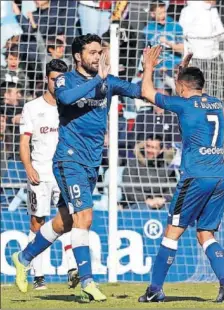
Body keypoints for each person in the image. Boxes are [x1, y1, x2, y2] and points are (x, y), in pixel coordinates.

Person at [12, 34, 142, 302]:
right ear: (78, 56)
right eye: (92, 52)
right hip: (68, 159)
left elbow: (141, 91)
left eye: (100, 52)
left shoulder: (108, 82)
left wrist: (154, 73)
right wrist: (98, 80)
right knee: (85, 218)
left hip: (91, 162)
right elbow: (67, 98)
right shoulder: (65, 79)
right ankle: (88, 282)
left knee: (65, 222)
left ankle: (23, 258)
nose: (97, 56)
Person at [138, 46, 224, 303]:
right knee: (205, 233)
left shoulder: (183, 105)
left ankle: (154, 289)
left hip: (195, 177)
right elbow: (191, 93)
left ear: (181, 87)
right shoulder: (215, 102)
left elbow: (147, 92)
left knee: (172, 231)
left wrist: (148, 66)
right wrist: (181, 71)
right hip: (220, 177)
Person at [19, 59, 78, 290]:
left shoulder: (70, 106)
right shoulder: (32, 107)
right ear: (46, 79)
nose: (57, 83)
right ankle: (38, 276)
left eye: (61, 79)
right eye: (54, 79)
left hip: (63, 173)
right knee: (37, 221)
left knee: (67, 220)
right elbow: (24, 142)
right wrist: (28, 167)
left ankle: (72, 269)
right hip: (40, 173)